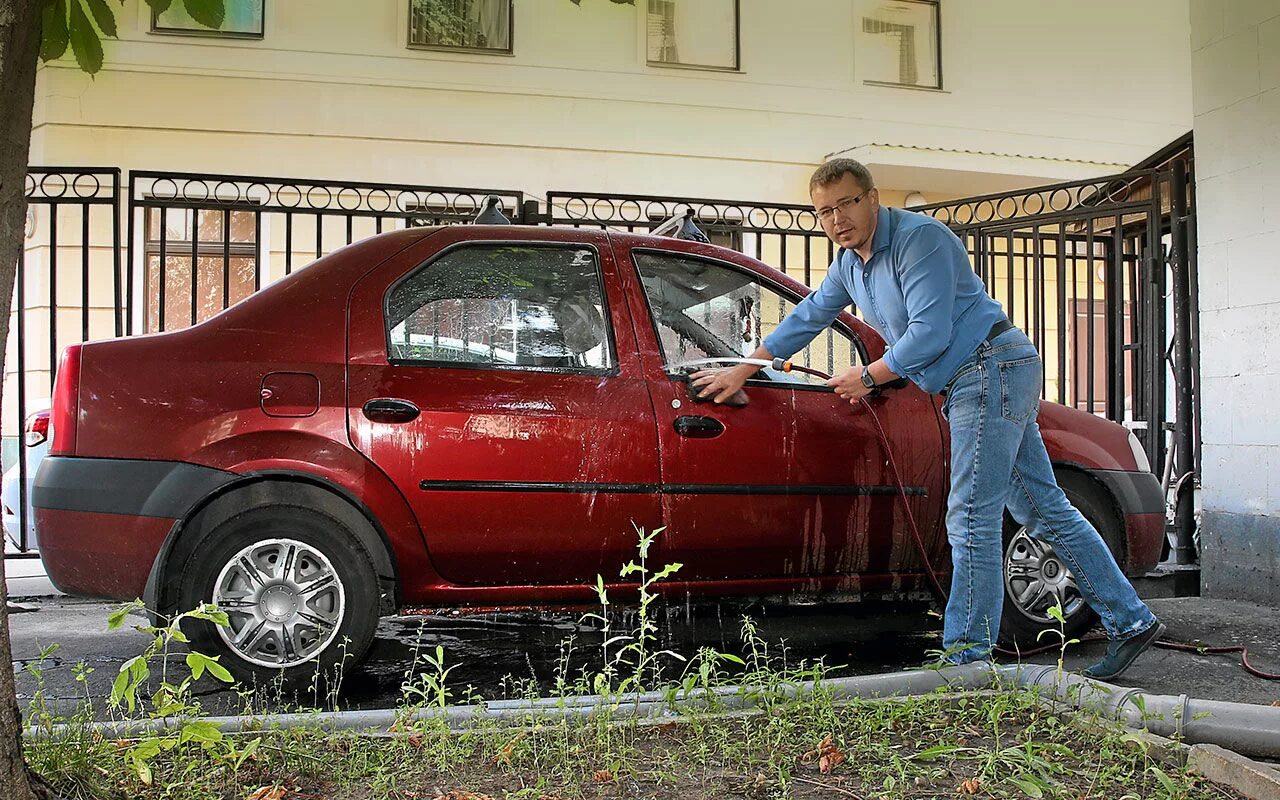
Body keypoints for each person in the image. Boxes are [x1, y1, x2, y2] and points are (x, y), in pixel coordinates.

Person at [691, 158, 1164, 679]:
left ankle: (966, 660)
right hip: (980, 374)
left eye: (846, 204)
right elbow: (810, 314)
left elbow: (930, 332)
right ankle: (1130, 620)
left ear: (872, 198)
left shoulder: (922, 241)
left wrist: (868, 376)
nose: (836, 220)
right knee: (1041, 509)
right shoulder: (851, 262)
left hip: (989, 368)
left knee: (970, 517)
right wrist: (746, 368)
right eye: (824, 211)